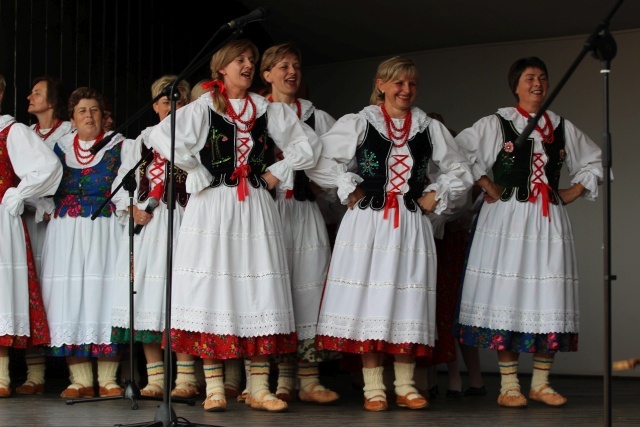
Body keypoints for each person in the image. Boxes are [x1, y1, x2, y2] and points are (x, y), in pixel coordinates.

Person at [148, 39, 321, 413]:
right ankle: (213, 388)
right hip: (212, 205)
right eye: (239, 59)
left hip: (255, 206)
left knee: (257, 288)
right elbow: (161, 135)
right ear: (221, 69)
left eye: (251, 60)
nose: (247, 64)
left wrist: (277, 171)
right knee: (213, 289)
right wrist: (194, 167)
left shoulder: (265, 108)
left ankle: (258, 387)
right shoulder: (203, 106)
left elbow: (304, 147)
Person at [308, 56, 473, 412]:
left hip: (410, 223)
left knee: (406, 299)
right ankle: (374, 389)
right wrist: (347, 188)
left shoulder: (428, 127)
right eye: (398, 83)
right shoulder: (360, 122)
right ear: (381, 84)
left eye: (412, 84)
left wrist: (436, 192)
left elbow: (461, 168)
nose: (406, 90)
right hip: (367, 222)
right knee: (370, 299)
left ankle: (406, 385)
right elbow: (320, 160)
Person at [455, 56, 604, 408]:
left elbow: (595, 159)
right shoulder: (498, 122)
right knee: (508, 294)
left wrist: (574, 190)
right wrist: (486, 183)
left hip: (548, 221)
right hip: (506, 220)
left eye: (542, 78)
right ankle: (509, 387)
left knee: (547, 295)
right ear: (516, 85)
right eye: (529, 78)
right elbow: (456, 150)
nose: (537, 83)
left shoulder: (561, 126)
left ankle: (540, 382)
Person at [260, 42, 339, 404]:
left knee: (307, 288)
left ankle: (307, 380)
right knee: (267, 290)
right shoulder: (255, 112)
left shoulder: (316, 117)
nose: (291, 72)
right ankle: (263, 381)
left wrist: (330, 187)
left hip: (304, 211)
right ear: (266, 75)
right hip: (265, 212)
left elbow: (340, 162)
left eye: (296, 66)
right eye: (283, 66)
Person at [40, 87, 128, 399]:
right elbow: (40, 181)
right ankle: (79, 380)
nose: (88, 115)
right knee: (70, 298)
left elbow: (128, 187)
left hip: (104, 230)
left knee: (103, 295)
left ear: (103, 115)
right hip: (66, 232)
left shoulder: (121, 146)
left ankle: (108, 379)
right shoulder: (58, 147)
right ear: (73, 118)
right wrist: (45, 206)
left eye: (93, 109)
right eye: (81, 111)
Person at [110, 75, 191, 398]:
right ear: (155, 105)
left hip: (186, 221)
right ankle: (156, 379)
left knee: (182, 297)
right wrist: (132, 210)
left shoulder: (194, 138)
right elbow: (120, 185)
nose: (172, 105)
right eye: (165, 99)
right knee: (146, 296)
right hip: (150, 225)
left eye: (179, 99)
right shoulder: (141, 142)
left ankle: (186, 379)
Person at [0, 74, 63, 398]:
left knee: (3, 293)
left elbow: (47, 168)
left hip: (2, 221)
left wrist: (16, 194)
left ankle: (2, 378)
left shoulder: (12, 131)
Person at [15, 76, 74, 396]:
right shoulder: (24, 133)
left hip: (59, 222)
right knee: (28, 291)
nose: (29, 97)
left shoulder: (68, 133)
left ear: (52, 102)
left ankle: (71, 370)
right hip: (27, 220)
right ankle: (33, 372)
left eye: (36, 93)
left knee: (55, 293)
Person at [422, 113, 486, 399]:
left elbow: (465, 207)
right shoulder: (422, 167)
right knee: (435, 308)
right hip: (435, 242)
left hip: (451, 243)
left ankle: (465, 378)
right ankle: (442, 377)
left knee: (453, 308)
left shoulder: (460, 171)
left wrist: (440, 218)